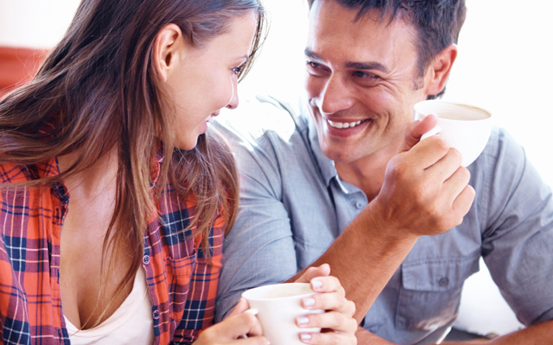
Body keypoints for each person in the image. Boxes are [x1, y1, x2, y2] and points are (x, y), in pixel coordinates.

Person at [0, 0, 359, 344]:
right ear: (168, 51)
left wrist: (308, 328)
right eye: (233, 67)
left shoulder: (198, 187)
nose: (233, 97)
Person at [213, 0, 553, 344]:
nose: (329, 103)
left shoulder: (490, 162)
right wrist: (390, 222)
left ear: (438, 70)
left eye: (365, 75)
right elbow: (255, 335)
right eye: (316, 65)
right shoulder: (253, 150)